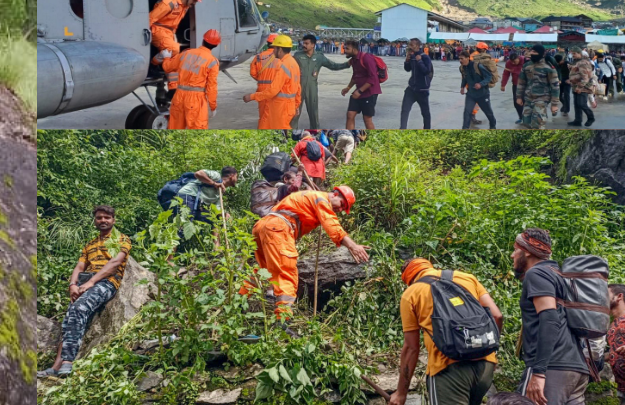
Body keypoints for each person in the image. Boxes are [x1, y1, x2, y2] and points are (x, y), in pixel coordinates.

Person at [238, 186, 369, 321]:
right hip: (278, 229)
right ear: (335, 195)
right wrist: (353, 246)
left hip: (263, 226)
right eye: (342, 204)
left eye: (343, 209)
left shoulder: (312, 196)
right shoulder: (321, 199)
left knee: (264, 270)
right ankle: (283, 321)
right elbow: (332, 225)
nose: (340, 209)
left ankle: (238, 301)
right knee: (287, 273)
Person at [390, 258, 503, 405]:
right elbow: (497, 316)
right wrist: (491, 353)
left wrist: (401, 393)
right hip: (485, 366)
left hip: (448, 370)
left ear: (408, 279)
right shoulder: (467, 278)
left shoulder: (411, 293)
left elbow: (411, 348)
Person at [38, 205, 132, 379]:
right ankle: (56, 366)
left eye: (107, 217)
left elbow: (114, 264)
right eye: (99, 218)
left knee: (79, 309)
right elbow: (80, 266)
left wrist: (90, 282)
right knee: (69, 320)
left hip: (106, 282)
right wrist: (73, 285)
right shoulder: (91, 244)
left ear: (113, 220)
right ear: (95, 221)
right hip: (85, 283)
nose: (103, 220)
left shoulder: (122, 239)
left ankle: (68, 361)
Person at [511, 228, 591, 405]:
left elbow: (550, 319)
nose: (512, 255)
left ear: (527, 252)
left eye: (515, 250)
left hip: (553, 368)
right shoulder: (558, 274)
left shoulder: (537, 273)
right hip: (576, 367)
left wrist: (539, 372)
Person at [158, 29, 221, 129]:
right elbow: (212, 87)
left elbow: (167, 67)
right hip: (196, 100)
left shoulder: (186, 54)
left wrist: (166, 57)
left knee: (174, 129)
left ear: (203, 40)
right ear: (216, 45)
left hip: (178, 96)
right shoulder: (212, 62)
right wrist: (213, 106)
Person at [292, 33, 351, 129]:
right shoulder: (297, 55)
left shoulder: (319, 57)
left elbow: (333, 66)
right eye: (303, 43)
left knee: (314, 114)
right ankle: (292, 130)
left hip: (312, 89)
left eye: (306, 43)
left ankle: (315, 131)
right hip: (298, 88)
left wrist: (347, 64)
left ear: (313, 45)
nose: (304, 45)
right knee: (294, 113)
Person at [244, 35, 302, 130]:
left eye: (275, 48)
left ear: (280, 50)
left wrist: (252, 96)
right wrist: (296, 105)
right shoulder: (293, 63)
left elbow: (272, 91)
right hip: (286, 107)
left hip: (280, 108)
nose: (273, 50)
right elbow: (298, 87)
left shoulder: (284, 65)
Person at [149, 0, 202, 65]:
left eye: (196, 2)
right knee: (173, 49)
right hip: (157, 30)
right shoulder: (169, 3)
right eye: (194, 0)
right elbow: (151, 18)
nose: (194, 3)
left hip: (170, 32)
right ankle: (153, 65)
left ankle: (162, 67)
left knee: (175, 55)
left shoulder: (185, 7)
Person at [518, 45, 561, 130]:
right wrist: (519, 97)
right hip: (528, 98)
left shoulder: (548, 67)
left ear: (541, 53)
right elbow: (521, 82)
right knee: (526, 122)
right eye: (531, 51)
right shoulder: (526, 66)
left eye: (535, 52)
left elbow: (555, 86)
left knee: (538, 123)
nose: (531, 53)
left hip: (542, 98)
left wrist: (554, 104)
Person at [341, 39, 381, 130]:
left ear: (354, 49)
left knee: (367, 118)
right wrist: (348, 87)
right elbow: (355, 75)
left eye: (347, 49)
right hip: (358, 92)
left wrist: (359, 91)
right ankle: (349, 134)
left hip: (370, 92)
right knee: (350, 115)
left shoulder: (367, 58)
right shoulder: (353, 60)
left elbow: (373, 78)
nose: (345, 51)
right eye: (344, 48)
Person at [176, 166, 240, 222]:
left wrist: (225, 215)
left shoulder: (220, 192)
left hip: (199, 204)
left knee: (215, 220)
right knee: (185, 221)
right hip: (189, 195)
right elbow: (198, 174)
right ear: (232, 176)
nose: (237, 179)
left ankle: (215, 236)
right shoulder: (216, 176)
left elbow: (217, 211)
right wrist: (214, 184)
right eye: (236, 176)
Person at [402, 37, 433, 129]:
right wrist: (407, 61)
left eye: (412, 45)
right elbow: (407, 69)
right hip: (411, 88)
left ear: (418, 46)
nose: (410, 47)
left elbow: (426, 71)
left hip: (422, 89)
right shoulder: (411, 56)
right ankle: (402, 128)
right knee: (405, 110)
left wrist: (419, 61)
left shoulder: (425, 57)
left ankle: (427, 129)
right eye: (409, 45)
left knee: (425, 112)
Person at [460, 52, 497, 130]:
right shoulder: (463, 68)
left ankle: (493, 125)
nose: (460, 60)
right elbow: (465, 78)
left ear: (467, 58)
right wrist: (462, 87)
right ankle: (465, 129)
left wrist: (481, 84)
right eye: (459, 59)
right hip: (471, 95)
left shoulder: (477, 66)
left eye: (462, 58)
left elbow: (489, 76)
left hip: (483, 94)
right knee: (467, 112)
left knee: (488, 112)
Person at [567, 50, 597, 127]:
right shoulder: (577, 62)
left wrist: (580, 87)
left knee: (581, 104)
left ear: (580, 54)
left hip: (583, 87)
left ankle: (591, 117)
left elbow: (585, 77)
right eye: (572, 53)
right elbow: (576, 71)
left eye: (575, 53)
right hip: (575, 85)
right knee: (577, 104)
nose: (573, 55)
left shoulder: (583, 63)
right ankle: (578, 120)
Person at [502, 52, 525, 124]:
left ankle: (529, 118)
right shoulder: (509, 63)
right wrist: (503, 85)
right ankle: (521, 117)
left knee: (526, 101)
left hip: (526, 85)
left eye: (515, 61)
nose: (513, 63)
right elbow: (506, 74)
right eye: (512, 62)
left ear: (518, 58)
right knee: (516, 102)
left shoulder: (525, 60)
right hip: (516, 85)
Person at [554, 52, 572, 118]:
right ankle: (564, 104)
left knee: (567, 95)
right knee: (559, 95)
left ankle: (566, 110)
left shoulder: (568, 64)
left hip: (567, 81)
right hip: (559, 81)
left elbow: (573, 72)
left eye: (560, 62)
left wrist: (570, 79)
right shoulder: (556, 64)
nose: (558, 63)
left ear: (562, 60)